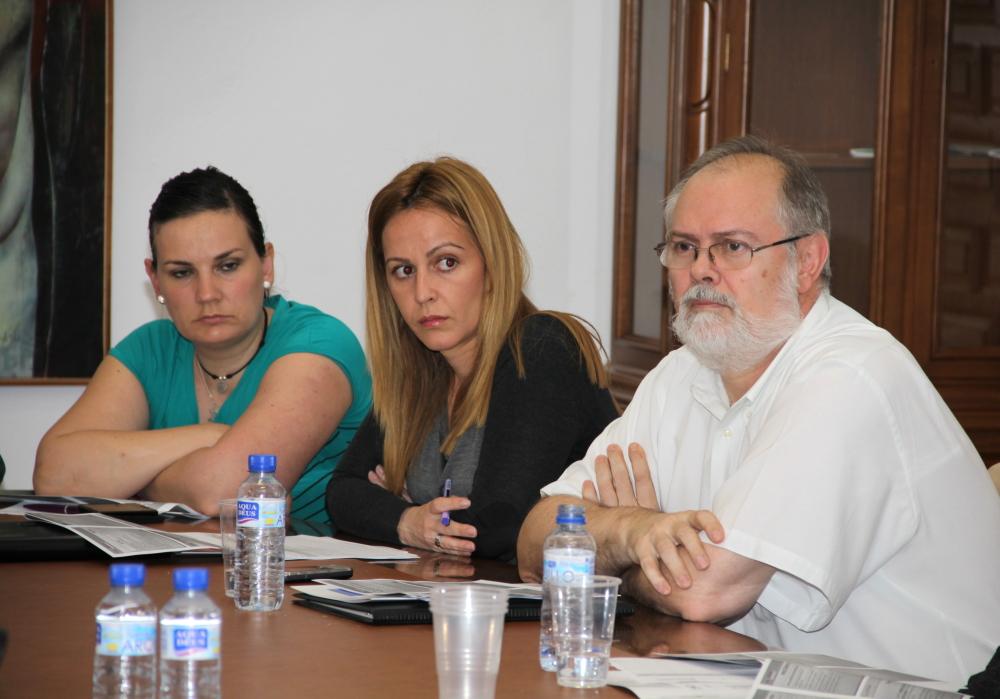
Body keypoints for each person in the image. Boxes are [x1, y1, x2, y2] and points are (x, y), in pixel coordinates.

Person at [516, 136, 1000, 685]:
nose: (702, 270)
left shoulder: (852, 375)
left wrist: (605, 559)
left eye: (733, 247)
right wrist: (632, 530)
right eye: (683, 247)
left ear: (808, 260)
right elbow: (536, 543)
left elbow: (705, 594)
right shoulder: (681, 374)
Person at [33, 166, 372, 523]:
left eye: (227, 266)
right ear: (155, 280)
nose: (207, 294)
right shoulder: (149, 348)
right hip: (183, 572)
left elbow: (223, 491)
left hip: (303, 573)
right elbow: (54, 476)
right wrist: (209, 437)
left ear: (266, 264)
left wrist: (130, 485)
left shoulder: (318, 344)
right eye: (182, 273)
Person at [326, 157, 618, 561]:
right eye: (403, 270)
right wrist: (410, 520)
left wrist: (393, 508)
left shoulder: (541, 348)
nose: (423, 291)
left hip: (564, 612)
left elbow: (497, 524)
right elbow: (342, 493)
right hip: (458, 602)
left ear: (493, 265)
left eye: (446, 263)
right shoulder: (420, 372)